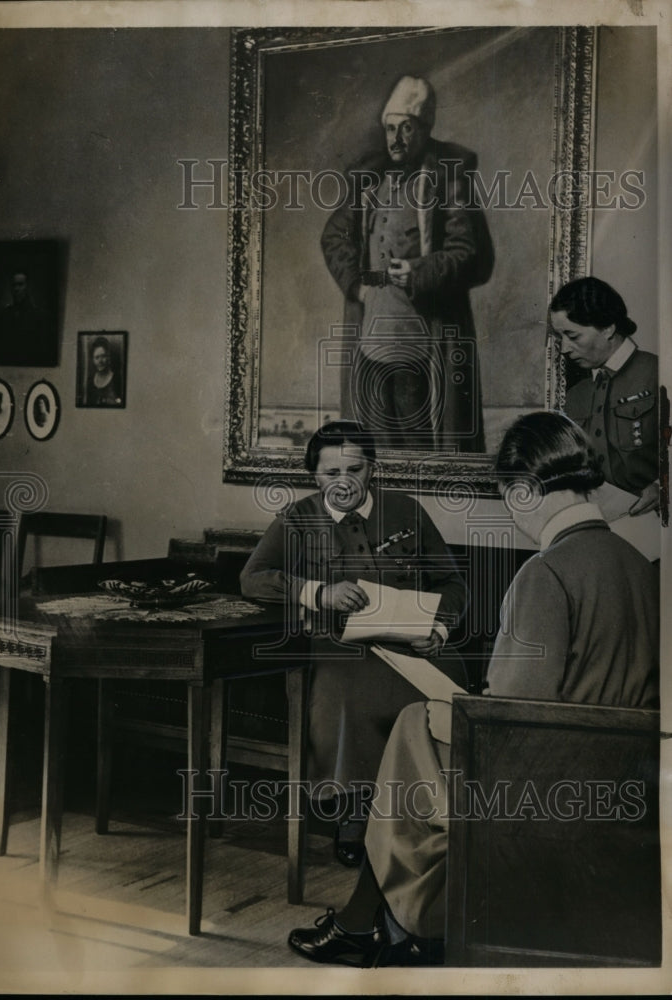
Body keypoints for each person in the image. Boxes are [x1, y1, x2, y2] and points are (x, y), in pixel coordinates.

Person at [287, 410, 659, 967]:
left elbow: (508, 721)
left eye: (510, 498)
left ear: (526, 491)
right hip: (625, 774)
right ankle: (375, 924)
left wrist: (454, 708)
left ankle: (388, 925)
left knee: (414, 729)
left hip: (543, 784)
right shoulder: (639, 563)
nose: (514, 517)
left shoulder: (546, 573)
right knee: (418, 736)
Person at [240, 420, 468, 863]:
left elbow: (452, 583)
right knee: (343, 692)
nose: (343, 482)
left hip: (415, 646)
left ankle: (437, 817)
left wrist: (439, 630)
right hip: (340, 648)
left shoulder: (406, 512)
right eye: (330, 473)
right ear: (313, 476)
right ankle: (353, 817)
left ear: (373, 469)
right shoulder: (296, 518)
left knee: (448, 679)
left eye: (355, 469)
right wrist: (318, 593)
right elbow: (252, 578)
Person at [320, 75, 493, 452]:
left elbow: (472, 254)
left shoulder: (448, 178)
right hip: (371, 333)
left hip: (421, 334)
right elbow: (333, 237)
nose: (395, 139)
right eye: (390, 128)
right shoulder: (370, 179)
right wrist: (356, 285)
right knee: (374, 441)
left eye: (406, 128)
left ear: (425, 129)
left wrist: (419, 270)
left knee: (418, 443)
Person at [549, 276, 659, 514]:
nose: (565, 348)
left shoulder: (661, 374)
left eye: (573, 336)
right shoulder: (576, 394)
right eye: (560, 339)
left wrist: (664, 488)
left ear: (608, 327)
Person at [0, 270, 54, 366]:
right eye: (14, 285)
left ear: (27, 287)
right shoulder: (3, 316)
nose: (16, 289)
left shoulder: (39, 316)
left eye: (20, 284)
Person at [85, 335, 122, 406]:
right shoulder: (90, 380)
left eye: (103, 356)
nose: (100, 361)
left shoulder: (117, 379)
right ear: (93, 360)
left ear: (109, 357)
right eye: (97, 357)